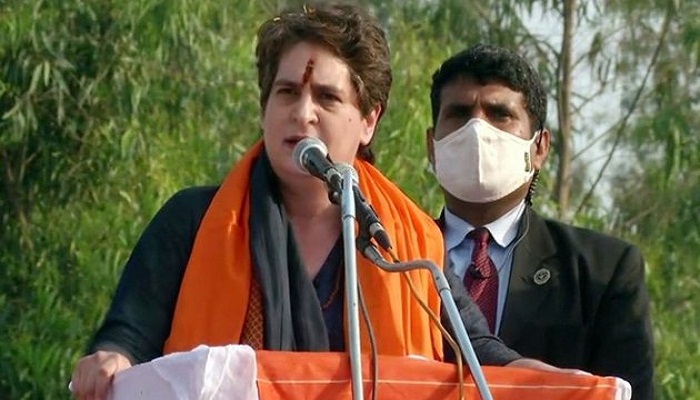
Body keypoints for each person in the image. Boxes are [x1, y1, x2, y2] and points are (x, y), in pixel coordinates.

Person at [70, 4, 573, 400]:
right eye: (286, 93)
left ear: (369, 120)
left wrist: (536, 375)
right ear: (266, 106)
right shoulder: (196, 220)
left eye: (328, 99)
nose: (302, 114)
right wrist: (112, 358)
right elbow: (128, 334)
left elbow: (472, 348)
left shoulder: (404, 239)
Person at [425, 43, 655, 400]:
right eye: (459, 113)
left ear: (540, 147)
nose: (477, 130)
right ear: (431, 145)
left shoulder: (602, 272)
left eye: (499, 114)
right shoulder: (386, 256)